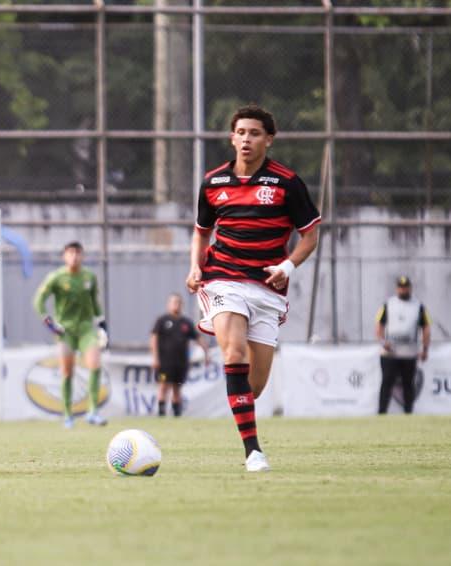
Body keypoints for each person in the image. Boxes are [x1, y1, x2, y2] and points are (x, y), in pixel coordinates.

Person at [185, 104, 321, 472]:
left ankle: (245, 421)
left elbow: (310, 235)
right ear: (232, 138)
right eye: (241, 132)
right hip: (223, 278)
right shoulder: (213, 183)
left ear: (269, 139)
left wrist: (287, 265)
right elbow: (201, 233)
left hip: (266, 287)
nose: (246, 139)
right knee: (234, 354)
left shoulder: (286, 183)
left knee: (254, 386)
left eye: (255, 133)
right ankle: (253, 452)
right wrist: (195, 265)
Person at [33, 241, 109, 428]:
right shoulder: (57, 277)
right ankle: (67, 415)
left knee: (95, 364)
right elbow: (39, 300)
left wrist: (101, 323)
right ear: (64, 256)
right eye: (70, 253)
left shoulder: (89, 277)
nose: (74, 256)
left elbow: (95, 302)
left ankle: (93, 412)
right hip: (65, 330)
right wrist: (49, 322)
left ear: (82, 256)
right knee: (67, 372)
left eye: (77, 253)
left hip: (86, 329)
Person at [375, 275, 431, 415]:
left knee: (408, 383)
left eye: (406, 287)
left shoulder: (419, 306)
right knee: (387, 382)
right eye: (401, 287)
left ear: (410, 288)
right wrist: (383, 342)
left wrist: (425, 348)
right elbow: (378, 325)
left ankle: (408, 413)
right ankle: (382, 413)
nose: (403, 290)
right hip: (390, 351)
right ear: (397, 288)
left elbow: (426, 328)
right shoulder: (388, 304)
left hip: (409, 352)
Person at [150, 293, 211, 417]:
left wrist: (206, 353)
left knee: (177, 388)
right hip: (164, 362)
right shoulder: (162, 321)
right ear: (168, 304)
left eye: (178, 302)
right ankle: (161, 413)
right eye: (173, 302)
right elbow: (154, 338)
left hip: (181, 362)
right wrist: (155, 357)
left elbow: (198, 338)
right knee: (163, 386)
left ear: (182, 305)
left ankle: (177, 414)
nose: (175, 305)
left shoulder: (186, 323)